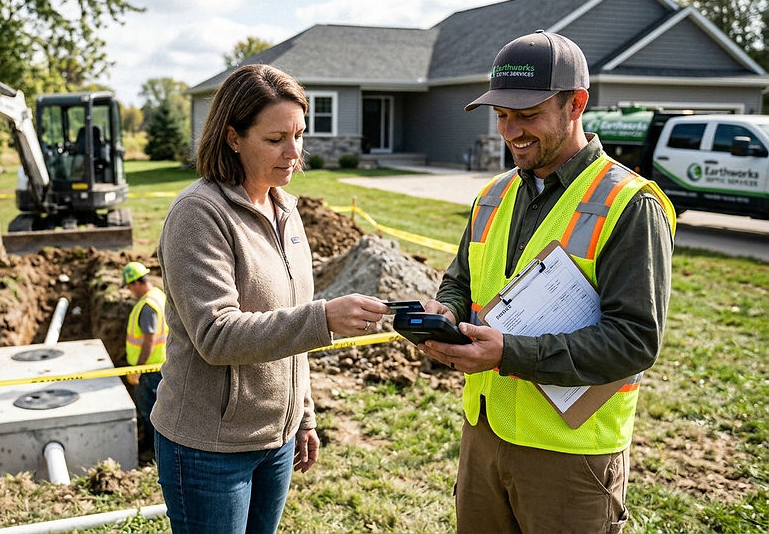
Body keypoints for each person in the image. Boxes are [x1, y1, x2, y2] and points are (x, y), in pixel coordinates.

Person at [420, 30, 676, 532]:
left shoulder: (631, 204)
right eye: (501, 115)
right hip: (484, 434)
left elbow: (635, 341)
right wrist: (445, 312)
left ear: (576, 104)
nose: (511, 131)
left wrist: (508, 353)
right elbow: (460, 280)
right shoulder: (492, 196)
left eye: (528, 115)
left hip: (570, 455)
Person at [152, 63, 390, 533]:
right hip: (208, 449)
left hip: (276, 443)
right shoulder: (198, 215)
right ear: (232, 137)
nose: (294, 153)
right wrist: (324, 318)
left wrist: (302, 416)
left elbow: (287, 326)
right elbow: (216, 336)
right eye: (276, 138)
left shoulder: (286, 209)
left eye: (300, 134)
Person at [121, 261, 167, 462]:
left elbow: (149, 340)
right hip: (160, 364)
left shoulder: (147, 306)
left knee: (149, 410)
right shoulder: (158, 295)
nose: (129, 291)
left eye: (129, 286)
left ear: (137, 283)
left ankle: (153, 452)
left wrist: (138, 369)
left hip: (149, 368)